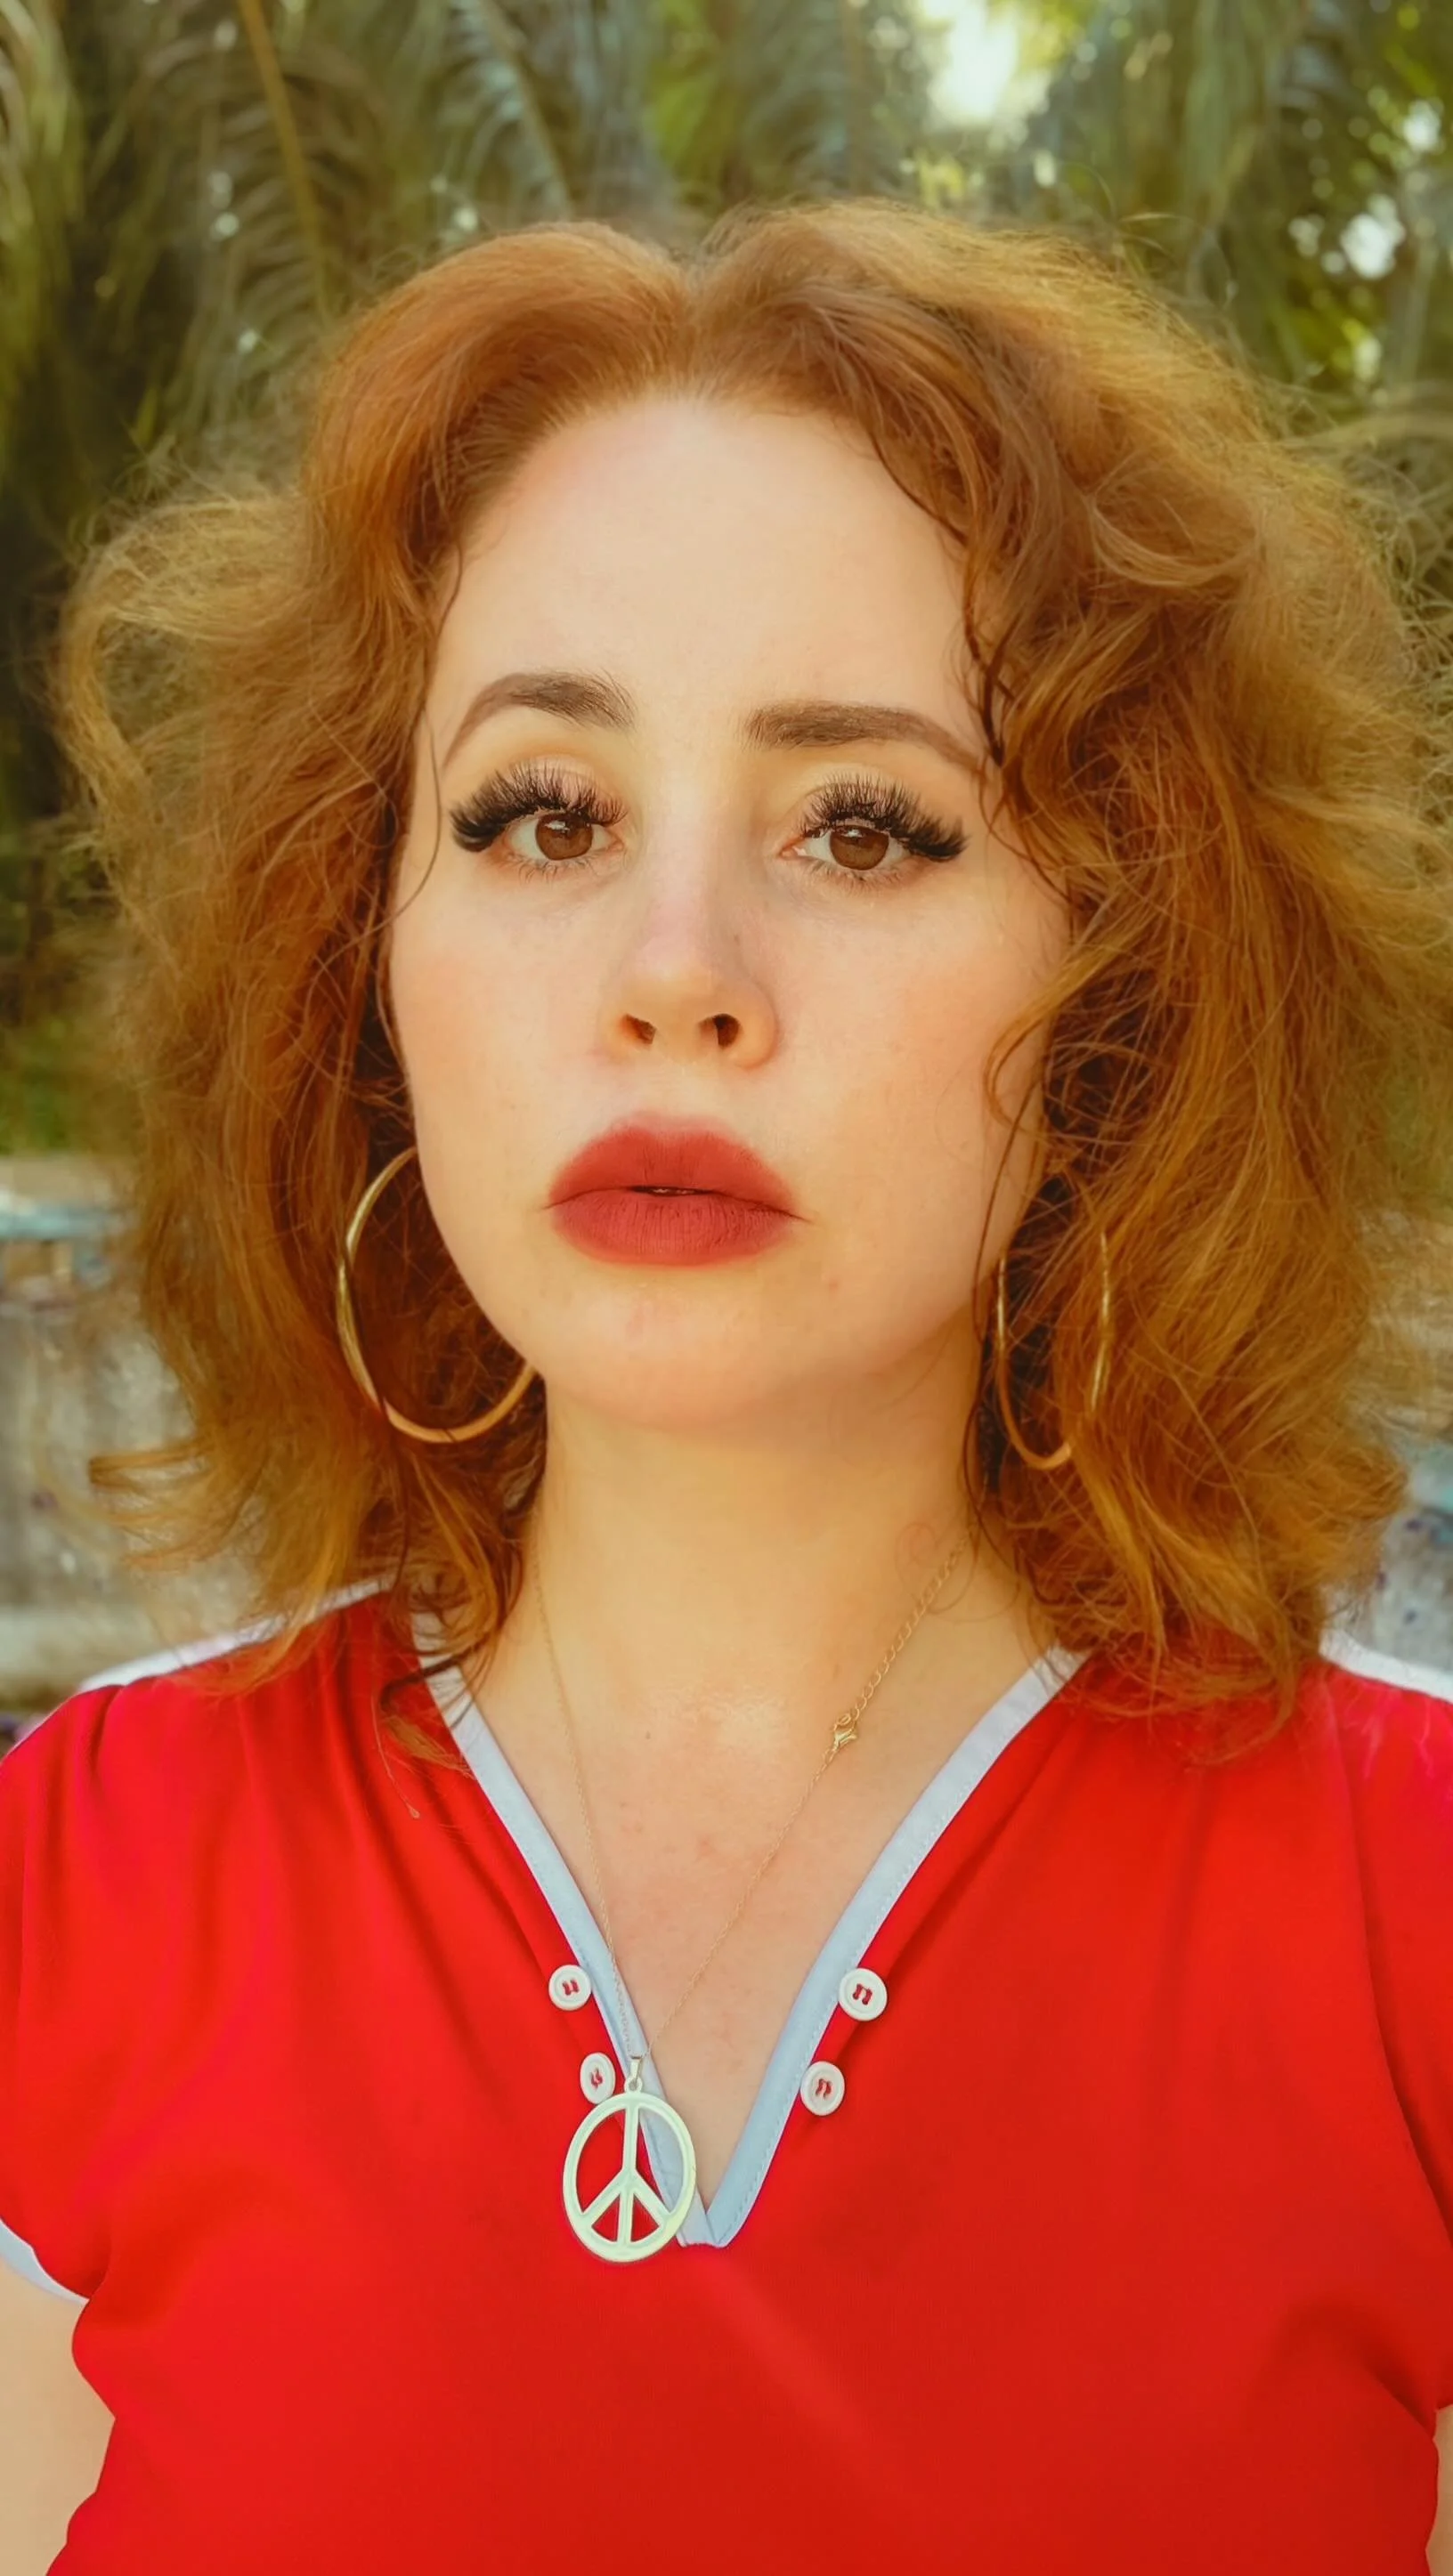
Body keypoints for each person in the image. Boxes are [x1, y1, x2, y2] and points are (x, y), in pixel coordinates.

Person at [2, 196, 1452, 2575]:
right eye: (542, 813)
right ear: (363, 951)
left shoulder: (1414, 1920)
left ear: (1126, 974)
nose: (676, 971)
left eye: (865, 825)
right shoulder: (68, 1893)